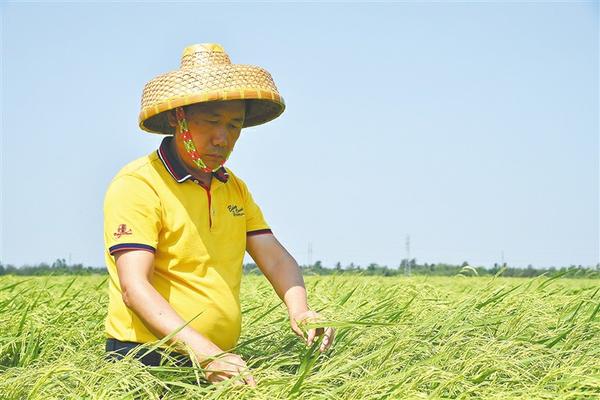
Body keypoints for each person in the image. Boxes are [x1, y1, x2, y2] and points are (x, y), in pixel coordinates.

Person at [103, 43, 335, 386]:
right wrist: (204, 351)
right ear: (176, 118)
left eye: (234, 126)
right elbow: (134, 287)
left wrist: (299, 310)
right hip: (147, 362)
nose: (222, 138)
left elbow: (276, 260)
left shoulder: (233, 188)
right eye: (211, 122)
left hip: (217, 363)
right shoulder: (139, 184)